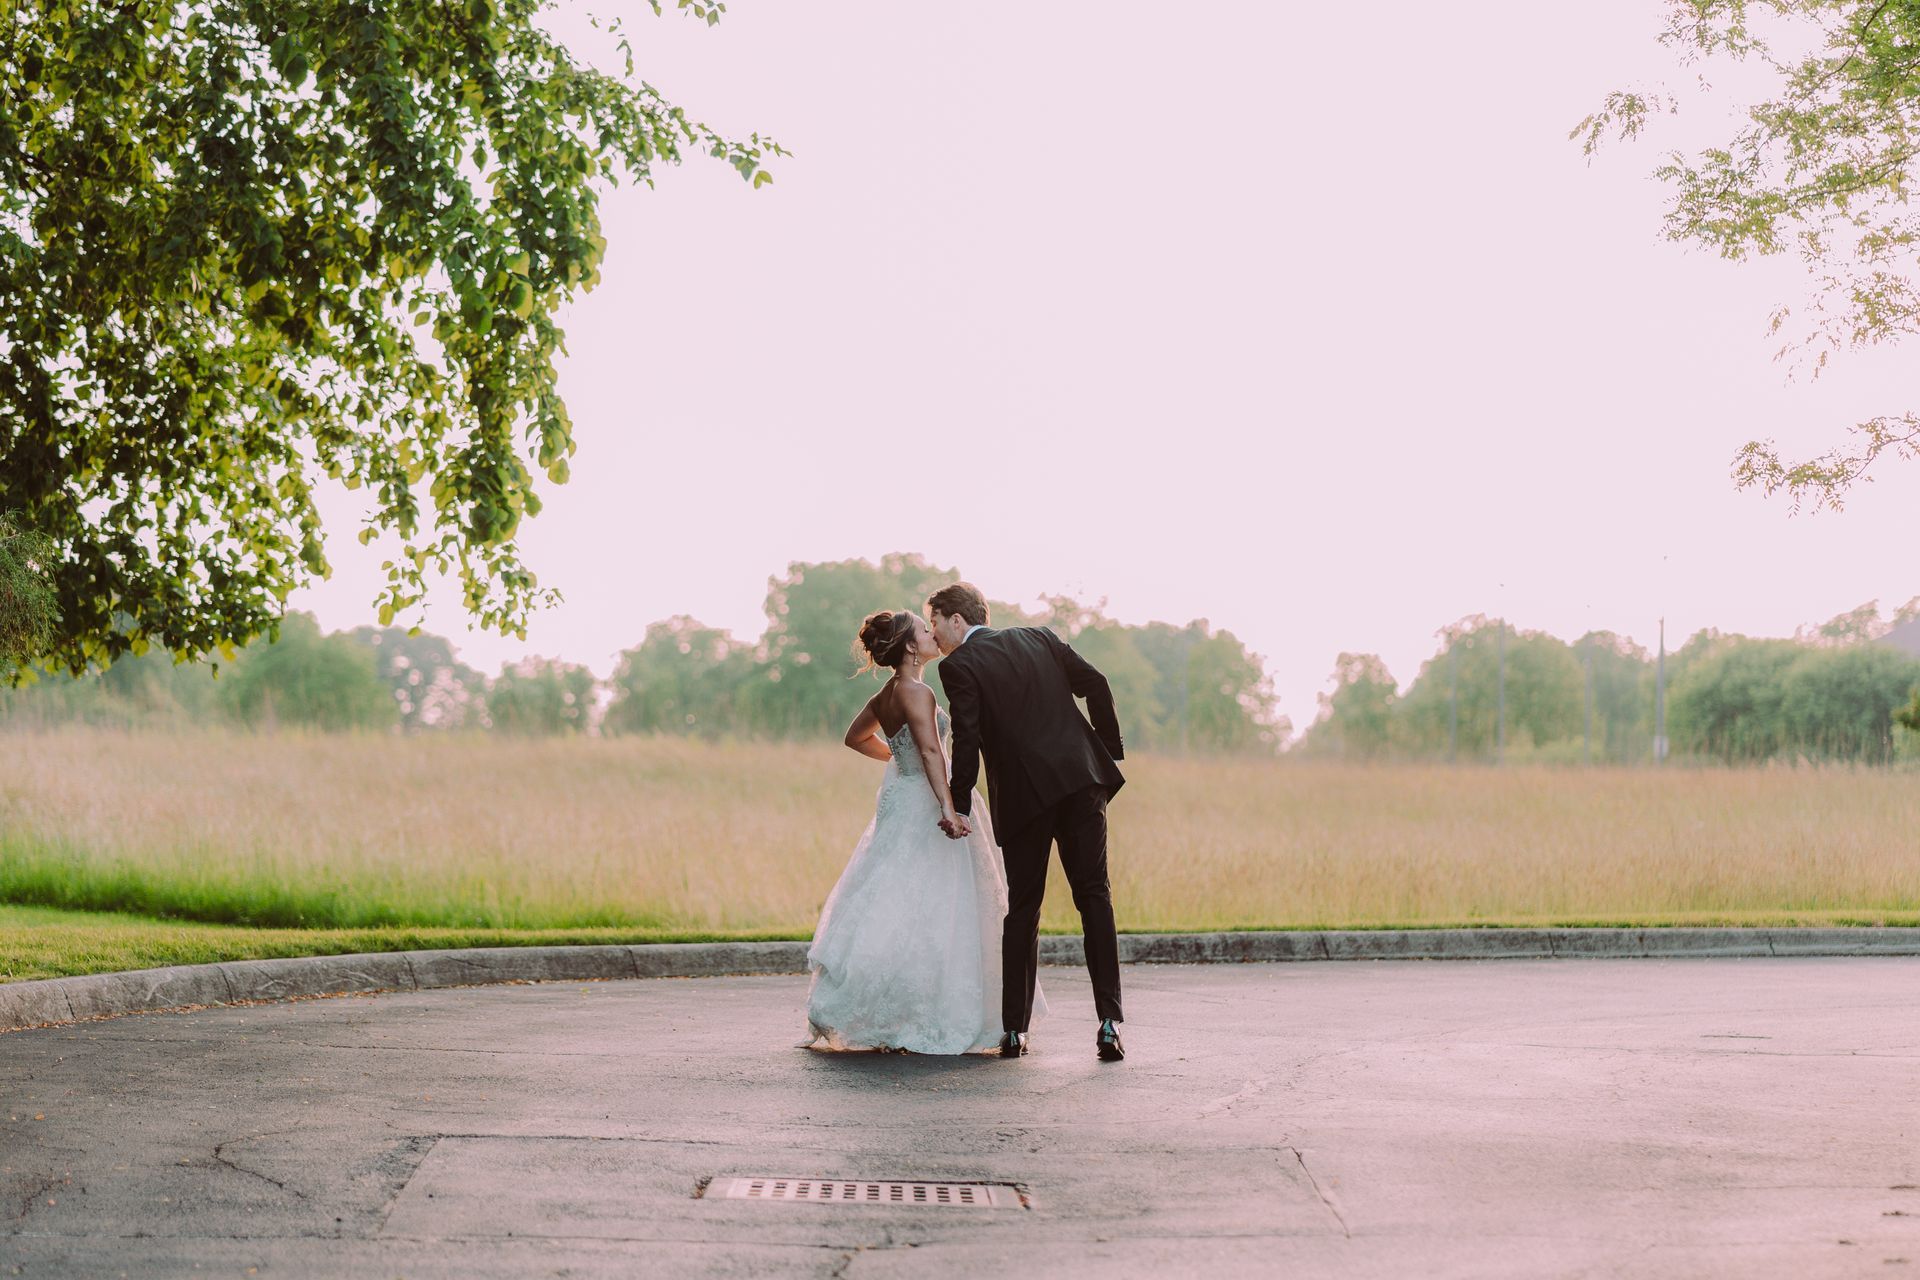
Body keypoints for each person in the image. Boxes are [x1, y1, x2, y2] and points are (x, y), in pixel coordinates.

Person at [802, 608, 1043, 1053]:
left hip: (903, 796)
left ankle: (891, 1002)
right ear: (911, 646)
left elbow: (856, 737)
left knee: (897, 894)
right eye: (923, 629)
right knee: (941, 900)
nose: (932, 633)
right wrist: (949, 807)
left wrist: (900, 760)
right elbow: (932, 752)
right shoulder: (918, 691)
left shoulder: (887, 694)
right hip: (928, 801)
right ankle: (928, 1010)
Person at [927, 582, 1127, 1062]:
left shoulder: (958, 665)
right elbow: (1097, 683)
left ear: (957, 619)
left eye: (934, 622)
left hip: (1024, 798)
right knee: (1094, 897)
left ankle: (1015, 1031)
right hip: (1082, 783)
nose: (933, 634)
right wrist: (1105, 750)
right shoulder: (1040, 637)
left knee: (1023, 909)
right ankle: (1109, 1023)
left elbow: (968, 738)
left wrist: (958, 804)